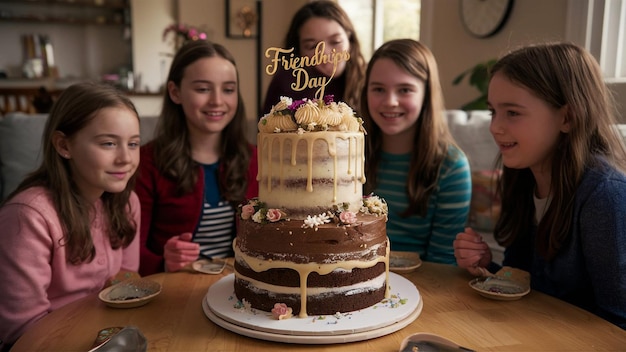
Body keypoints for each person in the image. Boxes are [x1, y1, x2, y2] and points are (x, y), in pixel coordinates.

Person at [453, 42, 626, 330]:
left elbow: (617, 326)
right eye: (493, 111)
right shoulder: (521, 178)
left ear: (566, 118)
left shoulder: (605, 197)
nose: (495, 126)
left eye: (513, 113)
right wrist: (487, 266)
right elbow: (525, 285)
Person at [0, 82, 141, 348]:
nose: (126, 158)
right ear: (64, 146)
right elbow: (22, 329)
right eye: (109, 143)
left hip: (103, 335)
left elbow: (126, 277)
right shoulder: (28, 217)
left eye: (133, 144)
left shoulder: (127, 203)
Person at [136, 40, 259, 276]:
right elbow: (127, 252)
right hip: (172, 291)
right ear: (175, 92)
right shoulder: (146, 162)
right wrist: (163, 262)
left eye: (228, 89)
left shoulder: (256, 159)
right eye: (203, 89)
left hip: (238, 289)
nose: (217, 101)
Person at [360, 39, 472, 264]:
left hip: (421, 285)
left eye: (405, 90)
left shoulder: (451, 168)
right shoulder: (350, 154)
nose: (390, 101)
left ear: (426, 94)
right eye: (379, 89)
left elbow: (442, 263)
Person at [262, 0, 366, 114]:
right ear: (298, 51)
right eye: (312, 46)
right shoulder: (285, 85)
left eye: (336, 42)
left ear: (350, 40)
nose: (325, 54)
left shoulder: (368, 81)